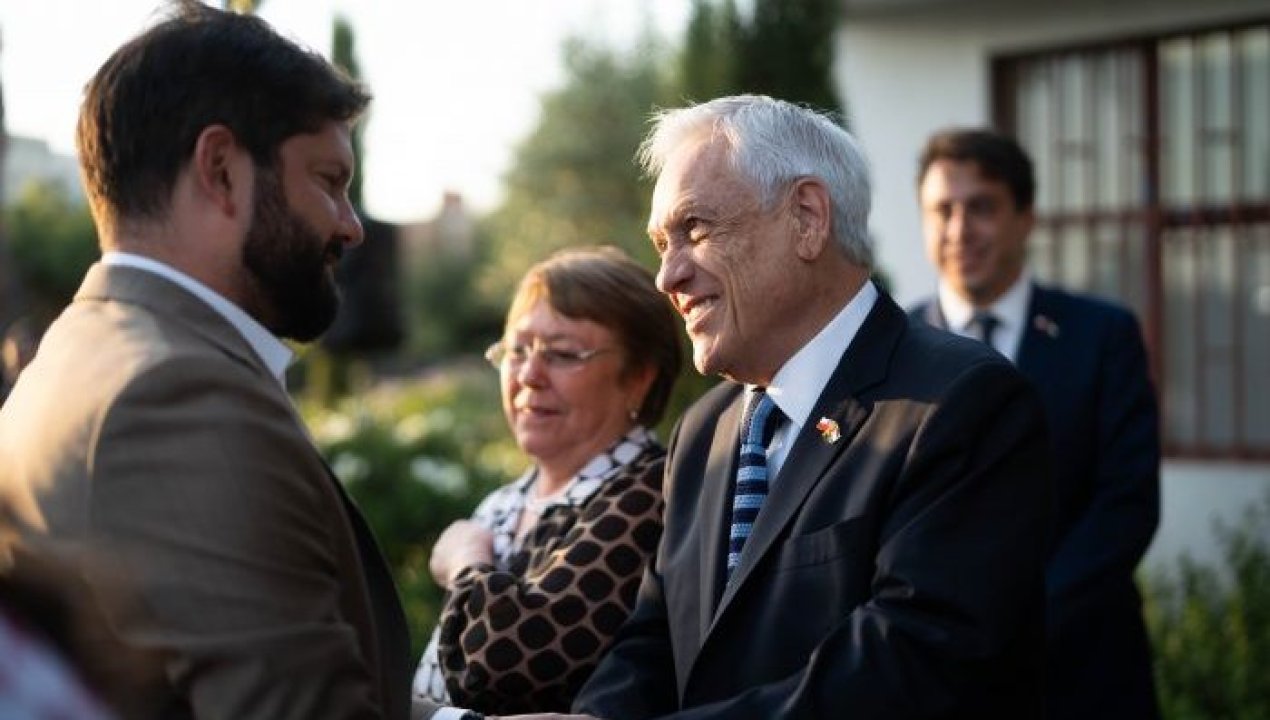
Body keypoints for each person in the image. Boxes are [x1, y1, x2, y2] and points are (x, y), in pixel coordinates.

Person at [538, 94, 1052, 719]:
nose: (667, 277)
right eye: (661, 244)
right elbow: (652, 642)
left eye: (694, 230)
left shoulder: (959, 403)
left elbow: (910, 668)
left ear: (807, 217)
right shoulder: (703, 433)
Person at [0, 2, 416, 717]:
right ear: (221, 170)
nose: (351, 227)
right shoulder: (179, 395)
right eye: (329, 180)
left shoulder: (71, 355)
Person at [908, 128, 1161, 718]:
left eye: (982, 207)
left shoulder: (1103, 336)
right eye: (942, 210)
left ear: (1025, 218)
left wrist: (1014, 622)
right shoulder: (892, 348)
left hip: (1084, 672)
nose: (959, 229)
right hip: (934, 675)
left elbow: (1126, 505)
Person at [412, 246, 682, 719]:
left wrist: (464, 562)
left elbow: (505, 663)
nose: (529, 376)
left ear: (639, 377)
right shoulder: (504, 502)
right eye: (517, 351)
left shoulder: (648, 494)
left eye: (563, 354)